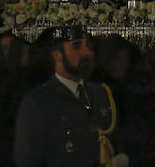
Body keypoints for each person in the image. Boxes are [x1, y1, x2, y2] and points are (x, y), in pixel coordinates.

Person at [14, 26, 128, 167]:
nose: (87, 52)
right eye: (76, 47)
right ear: (57, 55)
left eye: (89, 47)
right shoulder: (38, 102)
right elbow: (29, 161)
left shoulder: (102, 92)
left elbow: (116, 141)